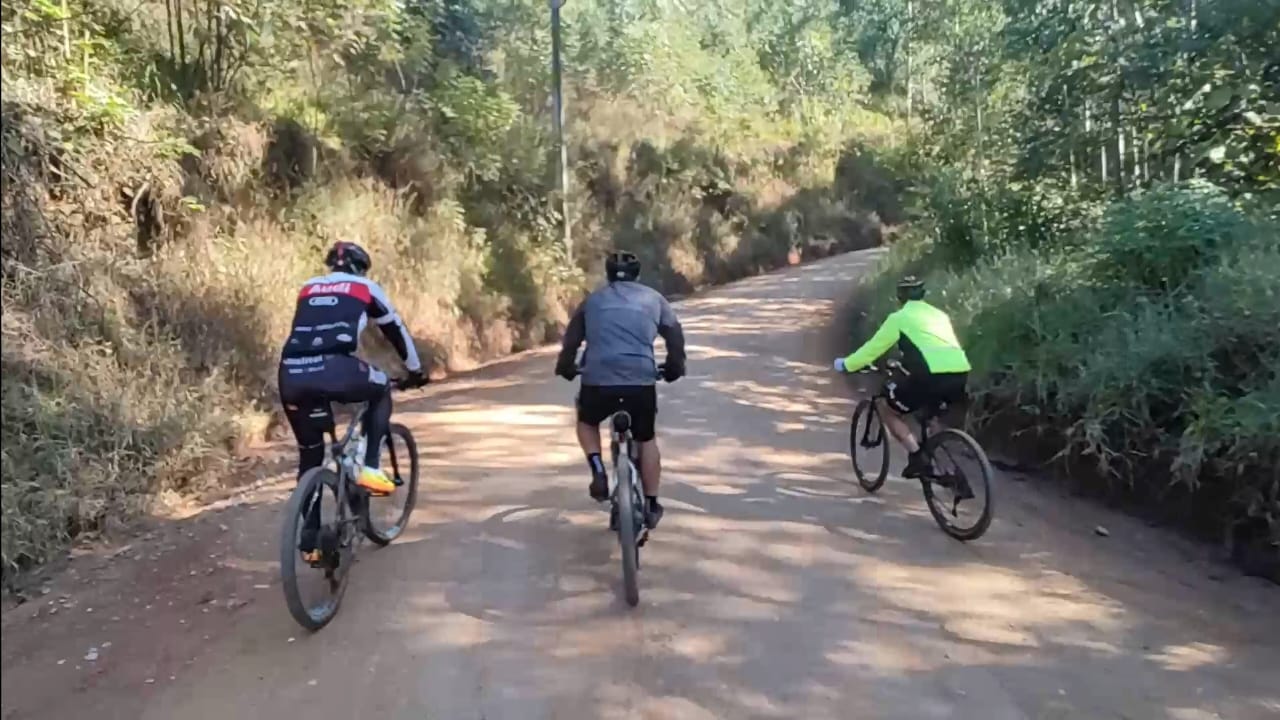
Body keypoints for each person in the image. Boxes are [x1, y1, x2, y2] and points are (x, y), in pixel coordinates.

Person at [278, 241, 427, 508]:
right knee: (380, 388)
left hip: (291, 372)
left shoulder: (308, 288)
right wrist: (415, 370)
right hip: (334, 368)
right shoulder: (365, 287)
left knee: (310, 456)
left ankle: (309, 543)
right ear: (360, 269)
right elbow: (395, 329)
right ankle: (370, 467)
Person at [555, 251, 686, 528]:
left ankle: (598, 470)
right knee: (646, 439)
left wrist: (566, 367)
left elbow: (571, 341)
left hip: (598, 380)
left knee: (587, 421)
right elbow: (674, 333)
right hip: (640, 380)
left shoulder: (592, 301)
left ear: (608, 274)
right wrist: (674, 367)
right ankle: (650, 504)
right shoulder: (654, 299)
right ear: (638, 275)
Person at [833, 276, 971, 478]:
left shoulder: (898, 319)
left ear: (900, 297)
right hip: (960, 373)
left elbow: (871, 351)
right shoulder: (940, 316)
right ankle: (936, 447)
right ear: (923, 294)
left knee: (888, 409)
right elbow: (930, 346)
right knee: (929, 408)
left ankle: (918, 458)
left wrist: (847, 364)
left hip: (929, 376)